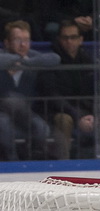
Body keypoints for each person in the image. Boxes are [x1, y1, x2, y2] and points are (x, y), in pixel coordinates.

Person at [41, 20, 100, 159]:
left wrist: (95, 115)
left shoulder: (88, 61)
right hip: (60, 112)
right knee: (64, 120)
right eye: (65, 38)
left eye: (73, 37)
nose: (69, 42)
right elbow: (53, 97)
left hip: (87, 112)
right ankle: (62, 165)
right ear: (59, 39)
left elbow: (97, 92)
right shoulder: (51, 61)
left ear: (80, 39)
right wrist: (78, 117)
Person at [0, 20, 60, 161]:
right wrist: (16, 61)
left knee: (41, 127)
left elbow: (55, 58)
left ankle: (33, 159)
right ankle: (12, 161)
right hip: (1, 113)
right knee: (6, 116)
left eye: (26, 40)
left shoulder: (31, 57)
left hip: (26, 114)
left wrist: (25, 63)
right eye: (18, 40)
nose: (23, 45)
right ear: (7, 43)